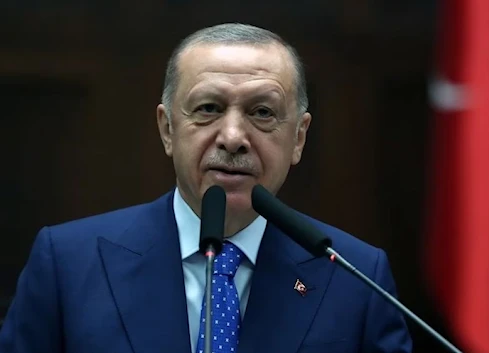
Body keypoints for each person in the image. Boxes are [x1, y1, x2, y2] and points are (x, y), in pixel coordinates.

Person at [0, 23, 412, 353]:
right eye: (209, 109)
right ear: (167, 129)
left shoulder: (355, 274)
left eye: (262, 112)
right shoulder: (68, 262)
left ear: (299, 139)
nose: (233, 136)